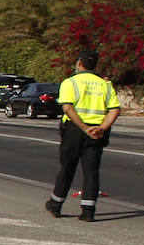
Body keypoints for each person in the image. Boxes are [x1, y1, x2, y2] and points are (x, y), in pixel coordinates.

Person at [44, 49, 120, 222]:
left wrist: (85, 128)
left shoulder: (70, 83)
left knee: (67, 167)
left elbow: (67, 108)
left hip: (75, 130)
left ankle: (55, 205)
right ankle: (88, 211)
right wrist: (102, 127)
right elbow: (114, 109)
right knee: (91, 171)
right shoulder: (105, 85)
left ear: (79, 63)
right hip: (97, 133)